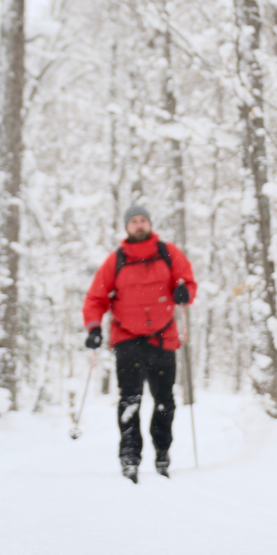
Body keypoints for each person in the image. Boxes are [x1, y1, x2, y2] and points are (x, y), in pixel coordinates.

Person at [82, 204, 196, 482]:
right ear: (127, 227)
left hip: (163, 338)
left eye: (143, 219)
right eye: (134, 221)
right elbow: (96, 298)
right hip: (127, 339)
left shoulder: (168, 253)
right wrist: (94, 327)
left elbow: (189, 283)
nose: (139, 224)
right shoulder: (116, 260)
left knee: (165, 402)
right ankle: (130, 458)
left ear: (150, 224)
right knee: (130, 401)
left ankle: (162, 455)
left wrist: (184, 292)